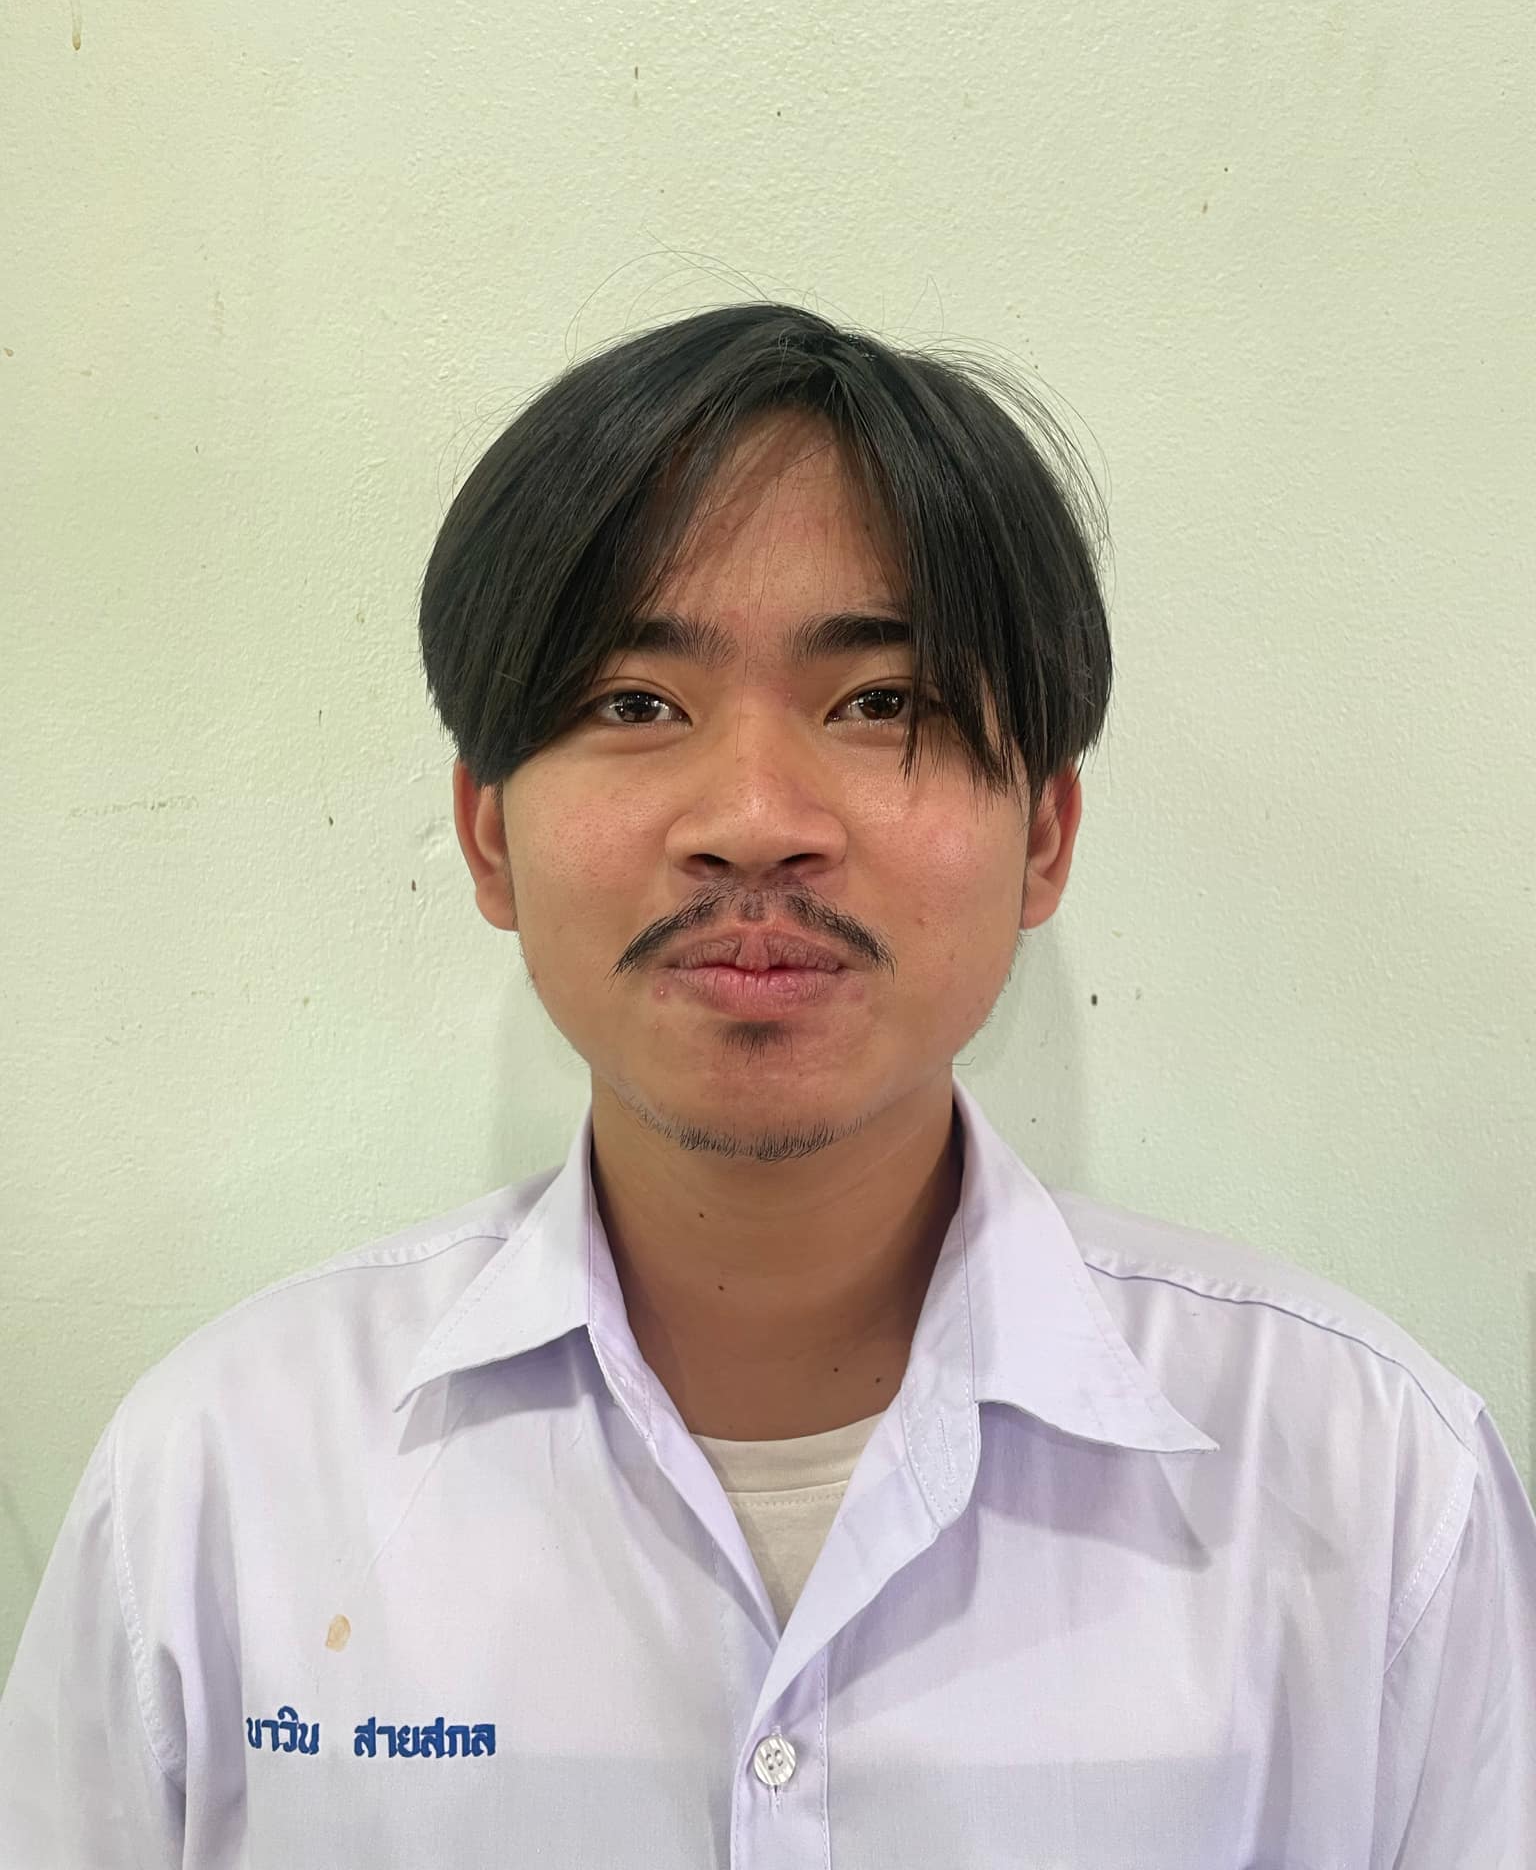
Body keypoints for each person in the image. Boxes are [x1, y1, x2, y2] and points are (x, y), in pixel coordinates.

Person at [2, 302, 1532, 1866]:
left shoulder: (1376, 1488)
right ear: (486, 837)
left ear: (1046, 835)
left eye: (884, 703)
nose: (752, 820)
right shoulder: (223, 1479)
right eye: (634, 704)